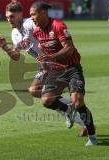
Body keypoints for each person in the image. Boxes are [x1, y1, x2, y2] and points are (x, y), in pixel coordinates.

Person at [0, 1, 88, 136]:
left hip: (57, 63)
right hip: (44, 65)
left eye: (12, 16)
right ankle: (68, 109)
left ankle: (78, 117)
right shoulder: (15, 33)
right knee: (34, 91)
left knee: (47, 96)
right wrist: (4, 47)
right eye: (8, 17)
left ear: (21, 14)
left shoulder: (30, 24)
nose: (9, 19)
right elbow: (15, 56)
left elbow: (47, 28)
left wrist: (53, 53)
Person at [29, 1, 97, 146]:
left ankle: (92, 136)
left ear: (42, 13)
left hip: (72, 68)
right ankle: (67, 110)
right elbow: (46, 51)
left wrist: (51, 57)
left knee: (78, 103)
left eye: (33, 14)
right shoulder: (36, 31)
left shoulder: (58, 26)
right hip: (56, 70)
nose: (31, 18)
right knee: (46, 100)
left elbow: (69, 49)